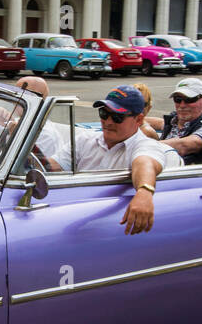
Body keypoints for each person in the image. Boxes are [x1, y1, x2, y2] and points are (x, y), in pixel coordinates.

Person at [71, 85, 182, 235]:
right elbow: (53, 166)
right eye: (103, 113)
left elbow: (145, 162)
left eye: (117, 117)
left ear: (138, 119)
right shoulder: (84, 139)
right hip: (78, 212)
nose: (108, 122)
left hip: (108, 227)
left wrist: (144, 192)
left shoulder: (145, 144)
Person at [155, 77, 202, 165]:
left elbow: (185, 145)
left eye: (189, 100)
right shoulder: (173, 121)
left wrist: (143, 146)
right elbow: (154, 122)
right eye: (178, 99)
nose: (182, 105)